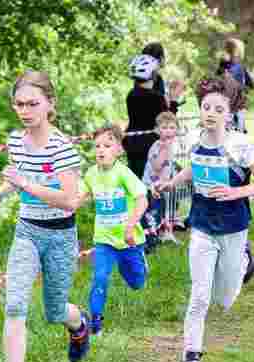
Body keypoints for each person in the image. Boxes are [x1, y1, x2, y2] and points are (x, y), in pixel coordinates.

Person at [153, 77, 254, 362]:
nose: (210, 113)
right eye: (206, 107)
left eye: (218, 109)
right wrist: (171, 183)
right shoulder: (194, 139)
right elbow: (193, 168)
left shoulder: (240, 144)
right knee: (199, 296)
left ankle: (244, 261)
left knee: (225, 299)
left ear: (229, 114)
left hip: (233, 227)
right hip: (202, 225)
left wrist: (236, 191)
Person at [0, 70, 90, 362]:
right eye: (19, 104)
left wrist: (25, 185)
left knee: (55, 311)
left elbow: (70, 201)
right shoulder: (16, 140)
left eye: (32, 103)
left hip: (60, 236)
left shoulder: (62, 148)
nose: (25, 110)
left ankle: (79, 324)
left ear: (49, 104)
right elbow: (18, 175)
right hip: (27, 231)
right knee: (15, 305)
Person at [77, 124, 148, 336]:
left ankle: (140, 265)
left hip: (129, 240)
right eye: (97, 146)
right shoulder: (91, 174)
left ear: (119, 149)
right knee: (100, 277)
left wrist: (130, 227)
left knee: (136, 282)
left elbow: (142, 200)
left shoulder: (123, 173)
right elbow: (78, 198)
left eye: (107, 146)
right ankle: (95, 322)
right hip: (104, 240)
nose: (101, 150)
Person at [123, 54, 184, 180]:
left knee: (136, 180)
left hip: (132, 144)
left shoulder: (131, 95)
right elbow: (167, 120)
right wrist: (173, 100)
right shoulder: (156, 98)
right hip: (151, 146)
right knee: (152, 181)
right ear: (153, 74)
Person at [142, 111, 180, 248]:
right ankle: (149, 238)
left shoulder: (174, 146)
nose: (168, 131)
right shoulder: (157, 146)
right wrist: (164, 150)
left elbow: (171, 165)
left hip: (165, 185)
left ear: (177, 130)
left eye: (172, 127)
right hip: (152, 186)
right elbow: (157, 167)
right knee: (153, 212)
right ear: (157, 130)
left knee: (166, 209)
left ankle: (165, 233)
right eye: (164, 128)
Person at [216, 37, 254, 133]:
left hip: (224, 105)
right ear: (237, 53)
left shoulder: (221, 68)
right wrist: (253, 77)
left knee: (225, 131)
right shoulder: (240, 68)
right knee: (238, 132)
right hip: (237, 106)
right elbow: (251, 85)